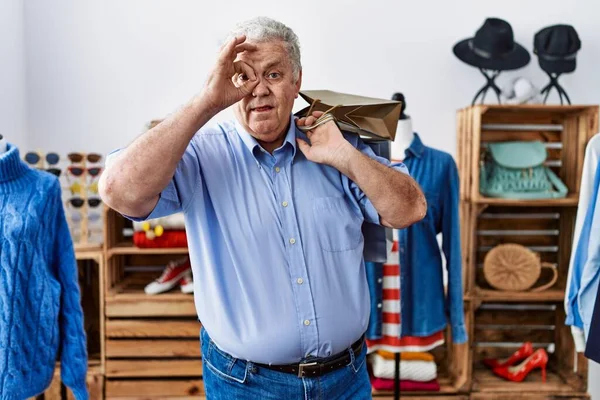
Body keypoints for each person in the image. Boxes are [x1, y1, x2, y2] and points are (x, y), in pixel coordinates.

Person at [99, 16, 426, 399]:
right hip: (246, 385)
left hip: (347, 379)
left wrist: (347, 157)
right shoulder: (202, 154)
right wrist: (206, 100)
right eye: (243, 77)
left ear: (297, 80)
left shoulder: (335, 143)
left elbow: (410, 210)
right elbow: (118, 191)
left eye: (273, 74)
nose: (259, 90)